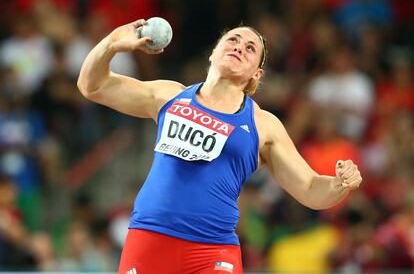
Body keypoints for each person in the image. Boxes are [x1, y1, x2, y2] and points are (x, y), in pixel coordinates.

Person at [77, 18, 363, 274]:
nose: (240, 47)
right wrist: (112, 43)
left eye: (250, 48)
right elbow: (93, 86)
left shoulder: (263, 125)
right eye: (233, 40)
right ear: (213, 52)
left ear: (256, 75)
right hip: (150, 237)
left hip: (212, 251)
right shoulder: (169, 96)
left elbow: (311, 190)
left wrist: (340, 184)